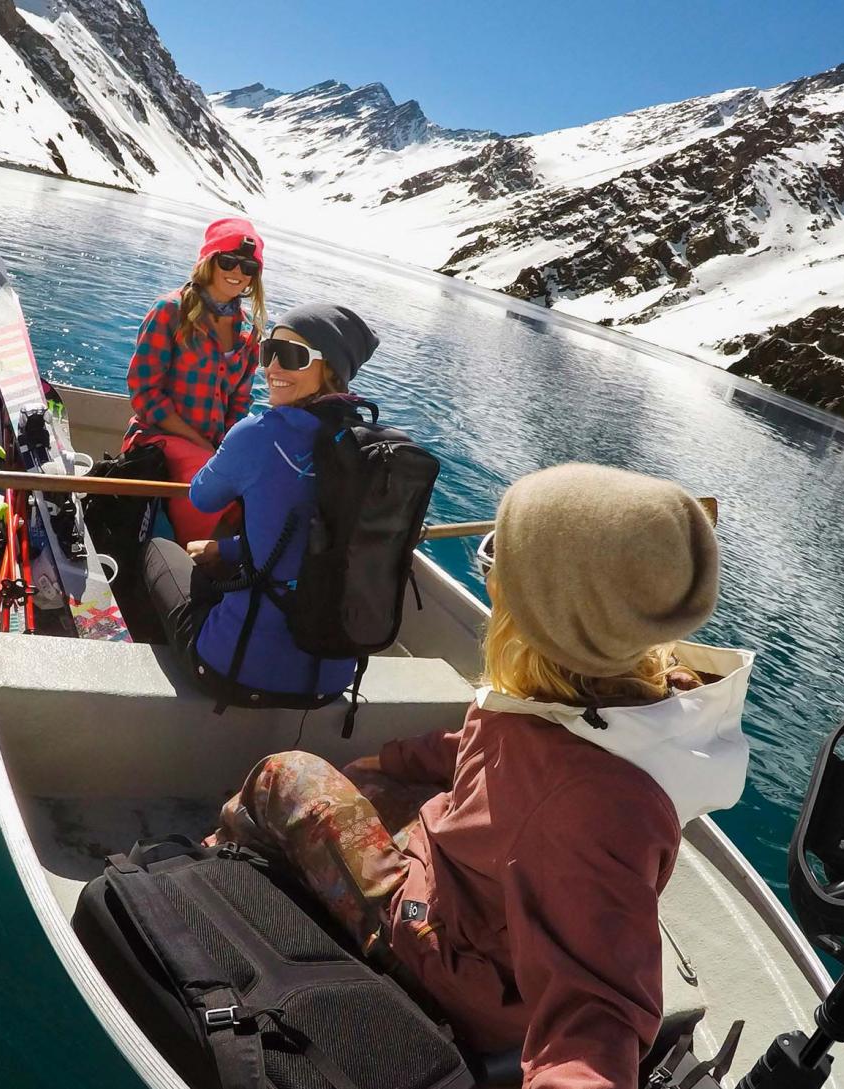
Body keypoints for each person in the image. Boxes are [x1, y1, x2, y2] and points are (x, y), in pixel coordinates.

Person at [207, 464, 751, 1089]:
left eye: (501, 566)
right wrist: (396, 761)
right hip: (475, 902)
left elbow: (597, 1011)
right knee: (370, 782)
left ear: (546, 616)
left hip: (444, 951)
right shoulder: (603, 698)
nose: (490, 579)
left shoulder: (591, 807)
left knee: (287, 774)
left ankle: (218, 871)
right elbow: (483, 750)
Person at [140, 303, 379, 707]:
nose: (271, 367)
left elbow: (202, 496)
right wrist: (227, 549)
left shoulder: (258, 434)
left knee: (158, 549)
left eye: (292, 356)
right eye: (268, 351)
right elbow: (318, 546)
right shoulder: (370, 450)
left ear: (329, 369)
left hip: (234, 671)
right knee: (221, 555)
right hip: (331, 682)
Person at [122, 216, 267, 543]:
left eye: (248, 267)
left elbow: (241, 401)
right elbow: (144, 394)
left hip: (213, 447)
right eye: (228, 261)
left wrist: (228, 446)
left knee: (261, 482)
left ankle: (227, 558)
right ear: (209, 261)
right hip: (157, 438)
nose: (237, 272)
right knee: (210, 477)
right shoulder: (169, 310)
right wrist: (201, 445)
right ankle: (190, 560)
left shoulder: (250, 332)